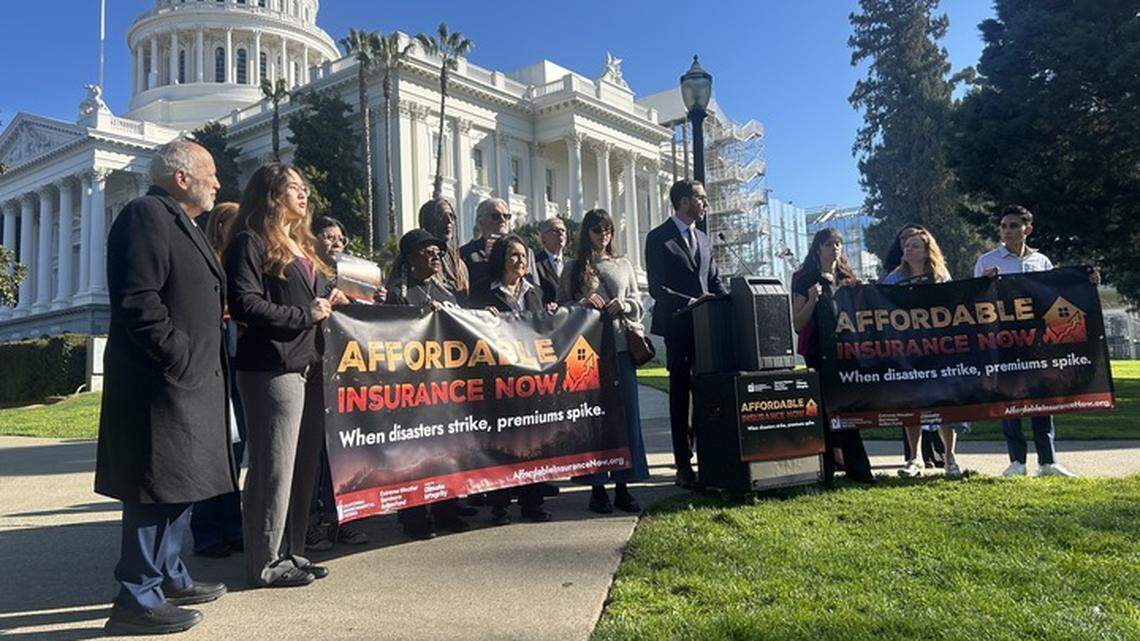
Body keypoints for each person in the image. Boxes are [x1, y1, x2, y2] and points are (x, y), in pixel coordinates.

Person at [96, 140, 236, 635]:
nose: (218, 183)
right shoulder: (145, 215)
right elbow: (139, 302)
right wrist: (177, 356)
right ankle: (136, 594)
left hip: (187, 381)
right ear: (181, 177)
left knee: (182, 485)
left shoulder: (182, 222)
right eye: (211, 173)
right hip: (160, 384)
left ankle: (169, 575)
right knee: (155, 489)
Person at [225, 163, 347, 588]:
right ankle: (264, 561)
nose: (304, 195)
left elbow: (307, 303)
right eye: (293, 187)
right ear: (271, 194)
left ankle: (292, 551)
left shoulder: (300, 246)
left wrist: (326, 300)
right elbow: (244, 304)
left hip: (308, 366)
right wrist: (304, 313)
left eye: (304, 187)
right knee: (273, 467)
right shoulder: (250, 241)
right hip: (271, 368)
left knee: (302, 465)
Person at [973, 205, 1098, 478]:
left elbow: (1057, 292)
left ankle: (1048, 461)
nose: (1007, 230)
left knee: (1043, 397)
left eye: (1014, 225)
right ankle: (1017, 461)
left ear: (1027, 229)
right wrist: (984, 283)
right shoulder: (986, 261)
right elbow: (975, 302)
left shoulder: (1041, 261)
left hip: (1038, 342)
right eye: (1004, 226)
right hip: (1005, 340)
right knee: (1010, 398)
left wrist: (1086, 282)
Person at [385, 229, 474, 538]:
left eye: (437, 250)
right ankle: (413, 517)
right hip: (412, 386)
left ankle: (446, 509)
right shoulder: (398, 294)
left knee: (445, 449)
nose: (436, 254)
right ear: (410, 258)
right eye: (427, 250)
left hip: (445, 385)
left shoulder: (447, 291)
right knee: (413, 454)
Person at [560, 209, 649, 513]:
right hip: (587, 351)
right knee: (592, 418)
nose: (603, 235)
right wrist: (582, 304)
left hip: (622, 346)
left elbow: (640, 304)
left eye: (608, 230)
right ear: (587, 233)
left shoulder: (623, 265)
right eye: (598, 230)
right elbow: (560, 309)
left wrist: (623, 303)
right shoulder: (573, 267)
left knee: (625, 416)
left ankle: (624, 485)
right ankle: (597, 487)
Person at [644, 179, 727, 489]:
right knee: (680, 394)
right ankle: (683, 465)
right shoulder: (658, 238)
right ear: (683, 201)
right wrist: (693, 301)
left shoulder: (704, 240)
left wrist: (726, 301)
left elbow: (714, 282)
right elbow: (657, 287)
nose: (705, 203)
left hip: (708, 328)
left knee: (707, 391)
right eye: (701, 198)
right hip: (678, 325)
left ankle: (711, 457)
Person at [471, 235, 553, 524]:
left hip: (530, 380)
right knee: (500, 444)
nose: (520, 261)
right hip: (499, 381)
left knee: (533, 442)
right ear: (501, 260)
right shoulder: (483, 292)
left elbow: (543, 330)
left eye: (523, 256)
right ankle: (499, 506)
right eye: (513, 256)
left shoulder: (535, 293)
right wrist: (480, 316)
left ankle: (533, 503)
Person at [303, 215, 371, 551]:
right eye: (329, 236)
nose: (337, 243)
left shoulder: (356, 277)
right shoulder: (307, 272)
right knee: (315, 455)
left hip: (347, 377)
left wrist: (372, 300)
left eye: (341, 237)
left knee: (343, 452)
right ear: (313, 239)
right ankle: (313, 524)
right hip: (314, 372)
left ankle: (343, 519)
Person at [791, 228, 875, 484]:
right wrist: (812, 300)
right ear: (818, 248)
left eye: (838, 244)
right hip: (818, 352)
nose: (835, 248)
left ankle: (858, 470)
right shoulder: (803, 277)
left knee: (848, 412)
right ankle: (824, 471)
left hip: (847, 353)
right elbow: (797, 322)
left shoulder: (847, 278)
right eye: (829, 244)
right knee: (824, 413)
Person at [881, 228, 965, 478]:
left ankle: (949, 458)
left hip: (938, 349)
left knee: (944, 404)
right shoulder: (894, 279)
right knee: (912, 403)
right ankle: (913, 458)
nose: (908, 249)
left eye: (915, 246)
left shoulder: (940, 276)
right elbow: (881, 305)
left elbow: (952, 306)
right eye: (906, 246)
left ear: (927, 250)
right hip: (908, 350)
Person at [189, 202, 246, 559]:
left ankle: (234, 526)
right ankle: (207, 532)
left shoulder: (245, 260)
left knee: (235, 453)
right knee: (212, 452)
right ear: (220, 225)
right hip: (214, 361)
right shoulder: (208, 258)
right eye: (234, 223)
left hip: (241, 364)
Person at [460, 198, 537, 289]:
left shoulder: (525, 251)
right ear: (480, 221)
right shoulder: (465, 252)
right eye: (495, 216)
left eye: (507, 216)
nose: (502, 220)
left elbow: (533, 286)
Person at [419, 198, 470, 302]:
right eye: (441, 216)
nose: (449, 221)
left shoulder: (460, 265)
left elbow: (467, 305)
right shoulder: (418, 260)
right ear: (428, 221)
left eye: (451, 216)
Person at [535, 216, 574, 306]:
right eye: (555, 230)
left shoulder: (572, 263)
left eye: (563, 230)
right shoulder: (535, 263)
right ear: (543, 238)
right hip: (547, 316)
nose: (560, 233)